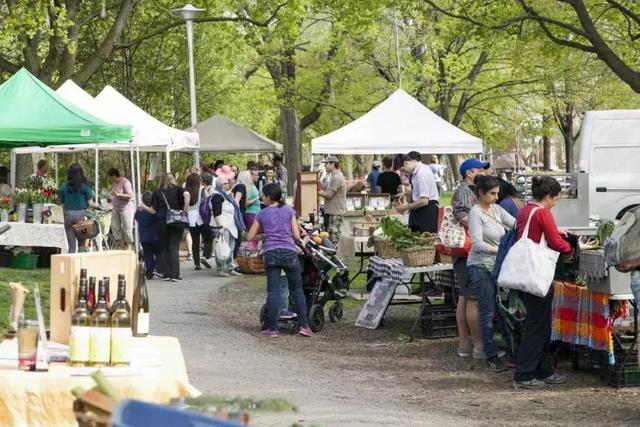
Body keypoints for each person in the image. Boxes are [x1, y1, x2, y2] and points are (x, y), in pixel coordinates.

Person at [513, 176, 573, 389]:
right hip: (537, 277)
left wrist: (555, 231)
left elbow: (534, 234)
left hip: (524, 275)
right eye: (555, 199)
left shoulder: (526, 210)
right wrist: (571, 249)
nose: (555, 203)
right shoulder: (543, 212)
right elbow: (556, 243)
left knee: (537, 324)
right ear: (547, 196)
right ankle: (524, 374)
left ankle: (543, 370)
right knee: (538, 327)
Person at [247, 183, 313, 338]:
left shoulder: (261, 214)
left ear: (269, 197)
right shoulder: (289, 211)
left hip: (271, 253)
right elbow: (296, 236)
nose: (261, 198)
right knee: (297, 289)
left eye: (263, 195)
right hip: (289, 252)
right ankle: (304, 325)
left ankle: (272, 328)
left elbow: (250, 237)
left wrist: (263, 236)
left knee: (273, 291)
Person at [467, 175, 516, 372]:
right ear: (481, 193)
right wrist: (502, 249)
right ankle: (491, 355)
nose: (496, 197)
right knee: (487, 311)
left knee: (503, 310)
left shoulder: (496, 209)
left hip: (496, 266)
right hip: (479, 267)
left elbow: (516, 224)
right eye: (492, 194)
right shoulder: (475, 213)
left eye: (497, 193)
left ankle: (511, 352)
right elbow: (477, 245)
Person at [451, 157, 490, 359]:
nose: (484, 174)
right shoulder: (466, 191)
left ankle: (465, 344)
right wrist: (484, 229)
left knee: (465, 297)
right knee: (472, 298)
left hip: (465, 252)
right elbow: (462, 216)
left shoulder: (469, 191)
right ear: (469, 173)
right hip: (468, 252)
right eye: (480, 170)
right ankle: (478, 346)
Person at [138, 173, 186, 282]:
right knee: (174, 247)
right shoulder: (179, 190)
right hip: (176, 222)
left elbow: (153, 211)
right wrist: (185, 210)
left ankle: (167, 273)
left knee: (164, 248)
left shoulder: (157, 192)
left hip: (162, 223)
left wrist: (144, 207)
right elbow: (187, 198)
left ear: (161, 180)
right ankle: (175, 274)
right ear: (172, 179)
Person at [394, 152, 439, 233]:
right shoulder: (420, 170)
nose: (404, 173)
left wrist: (406, 207)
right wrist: (405, 193)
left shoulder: (421, 173)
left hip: (427, 212)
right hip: (422, 211)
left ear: (406, 163)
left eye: (403, 170)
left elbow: (424, 201)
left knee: (424, 241)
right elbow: (420, 190)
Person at [59, 163, 100, 253]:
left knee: (71, 246)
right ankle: (81, 265)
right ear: (81, 173)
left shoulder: (63, 186)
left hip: (68, 215)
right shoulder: (85, 186)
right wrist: (99, 207)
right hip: (81, 216)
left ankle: (71, 266)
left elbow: (62, 204)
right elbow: (91, 204)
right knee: (81, 244)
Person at [211, 175, 244, 277]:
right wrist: (220, 226)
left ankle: (230, 268)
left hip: (231, 225)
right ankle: (221, 268)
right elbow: (216, 212)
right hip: (223, 225)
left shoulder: (227, 195)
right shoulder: (217, 196)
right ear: (221, 185)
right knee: (222, 248)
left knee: (231, 247)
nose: (229, 184)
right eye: (227, 182)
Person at [318, 156, 346, 243]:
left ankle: (337, 256)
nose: (325, 166)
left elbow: (329, 195)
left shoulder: (336, 178)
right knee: (332, 236)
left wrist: (315, 191)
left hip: (335, 212)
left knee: (334, 238)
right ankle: (334, 255)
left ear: (332, 164)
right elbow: (326, 187)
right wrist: (317, 181)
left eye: (326, 164)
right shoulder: (334, 177)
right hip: (333, 212)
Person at [107, 168, 135, 250]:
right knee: (114, 227)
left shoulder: (125, 182)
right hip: (116, 209)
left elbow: (130, 195)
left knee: (127, 228)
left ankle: (129, 247)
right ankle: (122, 246)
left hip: (126, 209)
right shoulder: (114, 183)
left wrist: (118, 194)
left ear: (114, 176)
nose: (110, 179)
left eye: (110, 177)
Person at [135, 192, 159, 279]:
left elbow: (137, 219)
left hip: (144, 237)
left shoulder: (139, 210)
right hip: (155, 236)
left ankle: (149, 273)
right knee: (159, 253)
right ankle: (157, 268)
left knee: (148, 255)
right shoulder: (154, 209)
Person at [184, 173, 205, 270]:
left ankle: (197, 263)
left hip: (191, 218)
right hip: (201, 216)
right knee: (207, 236)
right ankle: (206, 255)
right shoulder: (202, 189)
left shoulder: (186, 192)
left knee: (195, 240)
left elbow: (186, 207)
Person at [199, 173, 215, 269]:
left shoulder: (202, 189)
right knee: (210, 237)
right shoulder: (209, 189)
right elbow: (209, 202)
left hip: (202, 217)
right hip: (209, 217)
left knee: (207, 238)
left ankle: (205, 255)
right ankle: (206, 255)